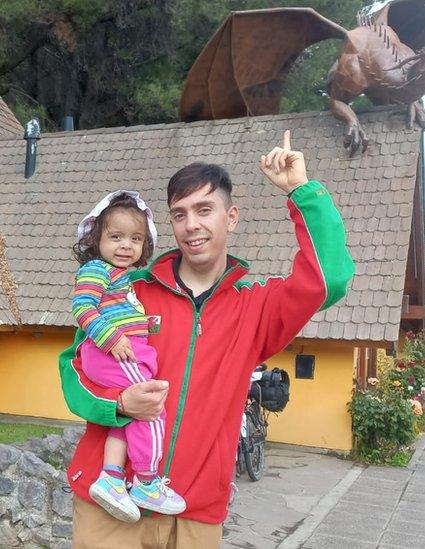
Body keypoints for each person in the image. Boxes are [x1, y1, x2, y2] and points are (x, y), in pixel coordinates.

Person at [59, 130, 354, 548]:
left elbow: (330, 280)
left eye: (204, 209)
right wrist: (119, 404)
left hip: (193, 510)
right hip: (112, 506)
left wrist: (300, 191)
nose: (191, 224)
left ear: (230, 217)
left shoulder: (256, 308)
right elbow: (73, 370)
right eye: (179, 214)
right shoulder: (129, 291)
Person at [71, 191, 187, 523]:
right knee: (151, 409)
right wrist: (112, 338)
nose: (126, 245)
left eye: (135, 239)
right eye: (116, 237)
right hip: (113, 352)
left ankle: (110, 477)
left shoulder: (122, 277)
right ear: (97, 239)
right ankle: (147, 482)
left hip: (122, 351)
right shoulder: (96, 268)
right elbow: (82, 307)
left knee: (131, 415)